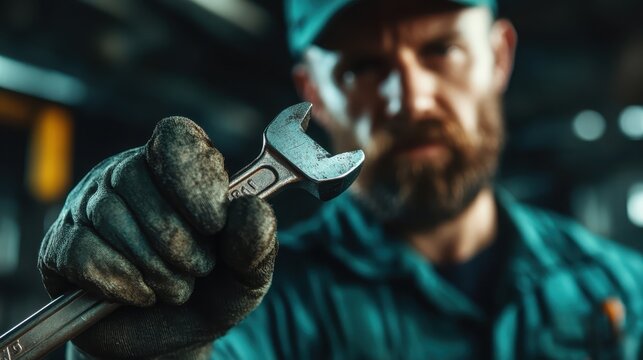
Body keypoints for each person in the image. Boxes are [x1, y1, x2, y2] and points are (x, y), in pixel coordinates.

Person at [38, 0, 643, 359]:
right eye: (364, 66)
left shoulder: (627, 290)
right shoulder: (242, 306)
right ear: (313, 94)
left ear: (499, 57)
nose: (409, 96)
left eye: (440, 51)